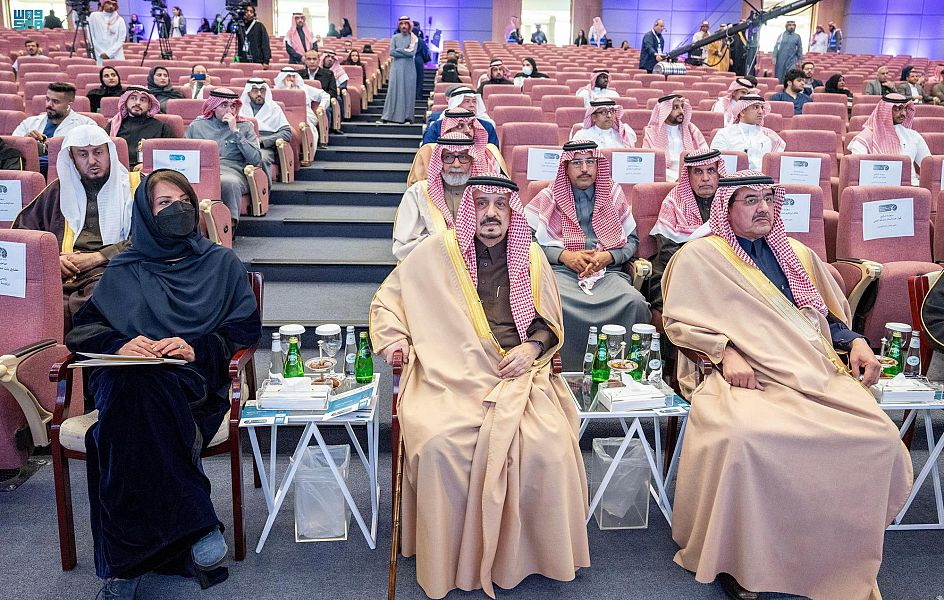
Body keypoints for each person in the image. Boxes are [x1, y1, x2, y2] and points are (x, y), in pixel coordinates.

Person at [662, 170, 912, 600]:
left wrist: (856, 342)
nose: (763, 208)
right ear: (725, 208)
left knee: (879, 437)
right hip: (746, 376)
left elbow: (823, 316)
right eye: (750, 200)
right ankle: (740, 559)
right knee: (744, 437)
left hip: (813, 370)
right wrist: (725, 352)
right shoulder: (699, 257)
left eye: (768, 199)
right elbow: (679, 324)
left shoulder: (796, 253)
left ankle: (838, 552)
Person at [371, 174, 590, 599]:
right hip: (447, 374)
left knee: (547, 447)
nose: (491, 214)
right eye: (481, 204)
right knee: (439, 446)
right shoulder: (434, 252)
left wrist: (532, 347)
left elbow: (549, 321)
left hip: (517, 372)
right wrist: (395, 340)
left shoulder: (531, 258)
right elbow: (386, 302)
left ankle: (525, 557)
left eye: (500, 205)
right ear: (467, 209)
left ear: (512, 212)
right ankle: (450, 556)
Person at [65, 169, 261, 600]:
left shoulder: (221, 263)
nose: (178, 210)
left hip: (188, 378)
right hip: (125, 374)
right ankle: (197, 522)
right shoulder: (125, 267)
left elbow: (244, 331)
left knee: (124, 421)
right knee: (134, 392)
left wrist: (195, 347)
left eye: (184, 201)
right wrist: (121, 344)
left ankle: (125, 569)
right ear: (146, 214)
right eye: (164, 204)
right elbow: (82, 331)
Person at [525, 141, 651, 370]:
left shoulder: (613, 194)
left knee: (634, 302)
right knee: (555, 305)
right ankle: (564, 373)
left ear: (597, 165)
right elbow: (526, 240)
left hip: (607, 274)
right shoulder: (549, 197)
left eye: (590, 162)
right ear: (565, 167)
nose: (584, 168)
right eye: (577, 163)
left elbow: (632, 241)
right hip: (562, 272)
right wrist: (564, 256)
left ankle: (625, 374)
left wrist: (610, 256)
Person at [13, 125, 134, 328]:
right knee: (36, 308)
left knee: (100, 303)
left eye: (98, 152)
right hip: (59, 274)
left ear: (109, 152)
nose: (92, 161)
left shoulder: (135, 188)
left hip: (113, 270)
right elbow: (24, 235)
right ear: (72, 158)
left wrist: (100, 256)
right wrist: (51, 259)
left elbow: (151, 238)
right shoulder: (57, 190)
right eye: (83, 154)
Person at [646, 150, 725, 312]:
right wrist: (700, 273)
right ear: (688, 176)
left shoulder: (729, 203)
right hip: (675, 272)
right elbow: (667, 251)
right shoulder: (673, 202)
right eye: (698, 172)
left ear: (719, 174)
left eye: (711, 171)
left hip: (720, 272)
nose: (705, 178)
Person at [394, 134, 486, 259]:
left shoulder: (486, 193)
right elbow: (403, 247)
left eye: (463, 157)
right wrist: (447, 246)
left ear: (472, 161)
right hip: (431, 263)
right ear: (439, 161)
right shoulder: (418, 192)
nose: (456, 164)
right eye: (448, 157)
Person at [184, 89, 263, 226]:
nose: (229, 110)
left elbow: (256, 159)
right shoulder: (197, 126)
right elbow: (185, 153)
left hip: (232, 171)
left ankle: (228, 227)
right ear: (214, 107)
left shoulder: (245, 127)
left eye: (233, 106)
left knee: (228, 182)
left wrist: (235, 132)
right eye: (224, 105)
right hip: (201, 171)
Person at [14, 82, 96, 175]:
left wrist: (55, 146)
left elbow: (91, 155)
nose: (49, 104)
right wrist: (26, 141)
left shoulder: (87, 125)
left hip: (68, 173)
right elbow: (11, 149)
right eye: (47, 99)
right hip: (29, 172)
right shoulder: (29, 123)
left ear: (69, 104)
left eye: (55, 101)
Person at [848, 94, 930, 186]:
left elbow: (929, 165)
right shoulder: (864, 140)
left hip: (912, 187)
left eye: (905, 109)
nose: (903, 113)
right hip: (876, 189)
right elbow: (858, 174)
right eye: (897, 109)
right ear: (884, 111)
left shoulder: (913, 136)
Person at [408, 110, 505, 187]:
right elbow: (419, 189)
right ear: (448, 130)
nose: (467, 131)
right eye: (460, 126)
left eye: (470, 126)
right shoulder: (428, 153)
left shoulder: (488, 154)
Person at [710, 94, 786, 171]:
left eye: (762, 108)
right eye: (756, 107)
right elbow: (715, 162)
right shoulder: (724, 134)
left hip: (762, 177)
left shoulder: (769, 136)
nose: (761, 112)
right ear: (742, 112)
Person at [643, 95, 709, 181]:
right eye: (675, 107)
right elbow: (647, 162)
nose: (681, 111)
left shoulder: (691, 129)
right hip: (664, 173)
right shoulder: (651, 132)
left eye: (682, 107)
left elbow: (705, 152)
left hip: (691, 171)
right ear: (664, 111)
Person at [108, 85, 175, 169]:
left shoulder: (161, 127)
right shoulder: (114, 125)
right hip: (117, 170)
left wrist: (149, 165)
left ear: (149, 105)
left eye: (143, 100)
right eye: (133, 98)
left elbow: (171, 156)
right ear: (126, 101)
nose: (137, 103)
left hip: (150, 173)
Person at [239, 79, 292, 174]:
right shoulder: (240, 109)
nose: (259, 94)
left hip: (264, 148)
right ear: (248, 93)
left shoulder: (274, 108)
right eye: (255, 91)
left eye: (262, 90)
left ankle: (263, 183)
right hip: (243, 145)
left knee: (260, 158)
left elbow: (286, 133)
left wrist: (263, 141)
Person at [424, 86, 499, 146]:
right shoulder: (438, 126)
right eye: (467, 101)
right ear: (456, 104)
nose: (472, 105)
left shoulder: (486, 126)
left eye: (474, 101)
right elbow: (428, 150)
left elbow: (493, 153)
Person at [381, 17, 418, 124]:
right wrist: (404, 51)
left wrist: (399, 50)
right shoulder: (395, 37)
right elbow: (392, 52)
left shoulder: (414, 38)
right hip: (396, 68)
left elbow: (412, 53)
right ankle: (388, 116)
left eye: (406, 24)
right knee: (393, 90)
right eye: (401, 24)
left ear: (409, 25)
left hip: (409, 68)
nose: (403, 26)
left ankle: (407, 117)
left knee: (408, 91)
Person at [571, 98, 637, 149]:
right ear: (594, 117)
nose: (609, 116)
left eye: (612, 111)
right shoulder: (582, 136)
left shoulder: (624, 136)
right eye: (604, 112)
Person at [88, 0, 126, 65]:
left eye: (113, 4)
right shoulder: (94, 16)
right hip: (98, 55)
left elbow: (121, 40)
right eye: (108, 3)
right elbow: (90, 36)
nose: (111, 6)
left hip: (116, 55)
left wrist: (108, 53)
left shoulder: (120, 20)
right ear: (103, 4)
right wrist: (100, 52)